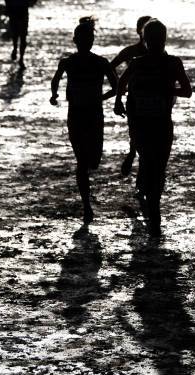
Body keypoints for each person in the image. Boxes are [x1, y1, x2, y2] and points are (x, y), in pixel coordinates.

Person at [114, 19, 192, 237]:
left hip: (145, 124)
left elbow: (122, 83)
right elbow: (187, 91)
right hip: (158, 124)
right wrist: (167, 89)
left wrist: (119, 101)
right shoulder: (172, 63)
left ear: (145, 40)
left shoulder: (139, 63)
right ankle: (154, 209)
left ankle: (152, 204)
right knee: (155, 166)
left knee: (151, 165)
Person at [50, 17, 118, 224]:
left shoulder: (96, 63)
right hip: (83, 115)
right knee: (83, 162)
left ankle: (86, 201)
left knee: (92, 161)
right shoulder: (74, 62)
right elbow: (116, 88)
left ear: (76, 40)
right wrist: (103, 98)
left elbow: (55, 81)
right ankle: (86, 206)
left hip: (89, 114)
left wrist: (54, 95)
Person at [110, 16, 151, 183]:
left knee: (147, 138)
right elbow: (110, 67)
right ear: (139, 32)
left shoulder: (161, 53)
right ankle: (133, 153)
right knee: (136, 133)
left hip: (154, 100)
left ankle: (137, 160)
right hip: (134, 99)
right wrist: (120, 88)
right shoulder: (130, 52)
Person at [4, 0, 36, 69]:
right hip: (19, 11)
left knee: (19, 36)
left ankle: (19, 56)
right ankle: (18, 54)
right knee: (20, 36)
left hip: (17, 11)